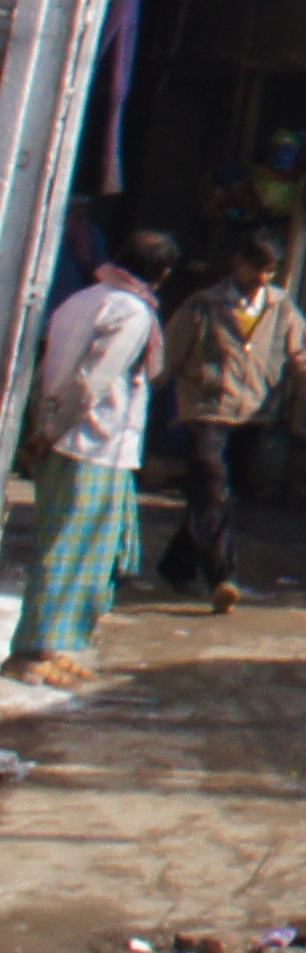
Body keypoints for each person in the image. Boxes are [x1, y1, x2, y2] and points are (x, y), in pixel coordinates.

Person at [7, 227, 173, 685]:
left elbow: (46, 367)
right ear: (161, 274)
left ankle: (50, 644)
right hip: (93, 444)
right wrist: (49, 431)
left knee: (77, 549)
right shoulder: (132, 312)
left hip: (73, 440)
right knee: (72, 552)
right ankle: (29, 651)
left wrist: (43, 428)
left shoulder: (80, 300)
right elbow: (92, 381)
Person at [157, 225, 306, 614]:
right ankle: (222, 577)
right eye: (256, 268)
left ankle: (176, 565)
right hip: (206, 409)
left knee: (217, 496)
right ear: (237, 263)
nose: (262, 278)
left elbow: (305, 354)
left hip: (255, 413)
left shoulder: (281, 307)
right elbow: (166, 357)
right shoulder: (203, 305)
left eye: (270, 271)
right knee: (212, 488)